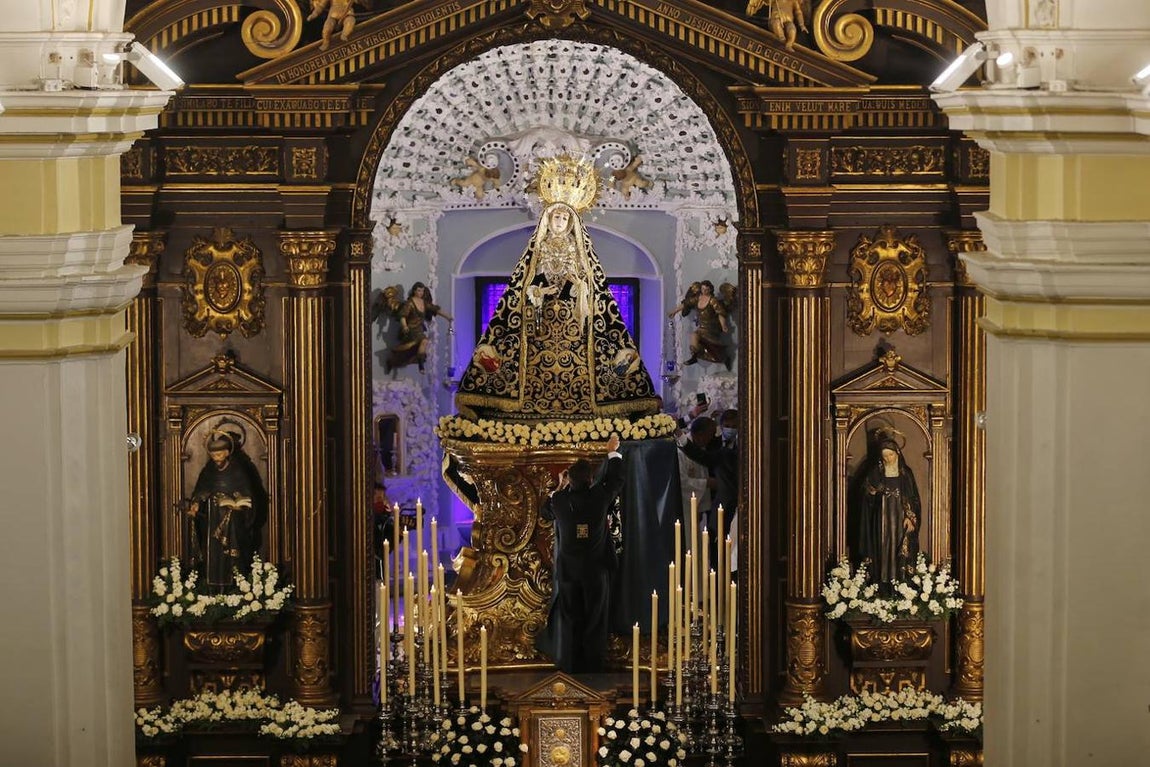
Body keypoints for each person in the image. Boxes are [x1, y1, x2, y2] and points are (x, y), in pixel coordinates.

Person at [456, 155, 660, 420]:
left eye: (565, 217)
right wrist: (537, 294)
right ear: (547, 220)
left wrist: (579, 288)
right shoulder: (537, 250)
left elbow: (593, 289)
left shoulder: (581, 252)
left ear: (572, 221)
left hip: (576, 324)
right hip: (539, 324)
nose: (560, 221)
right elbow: (523, 288)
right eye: (556, 217)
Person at [539, 434, 625, 674]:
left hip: (568, 570)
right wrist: (612, 452)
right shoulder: (599, 497)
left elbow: (545, 512)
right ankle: (593, 666)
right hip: (595, 569)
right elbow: (616, 479)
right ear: (590, 479)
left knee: (570, 617)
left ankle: (569, 664)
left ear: (569, 479)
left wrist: (559, 486)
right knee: (595, 618)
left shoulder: (559, 501)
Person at [186, 422, 268, 593]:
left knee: (233, 554)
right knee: (212, 555)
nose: (216, 458)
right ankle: (211, 587)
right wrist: (196, 503)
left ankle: (235, 587)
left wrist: (238, 503)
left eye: (219, 454)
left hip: (234, 522)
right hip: (211, 519)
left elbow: (248, 494)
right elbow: (201, 489)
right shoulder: (208, 469)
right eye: (213, 454)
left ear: (227, 452)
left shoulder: (239, 471)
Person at [854, 435, 922, 584]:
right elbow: (865, 497)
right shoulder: (875, 473)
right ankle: (881, 585)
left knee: (899, 552)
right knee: (882, 551)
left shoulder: (906, 474)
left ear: (897, 453)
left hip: (900, 520)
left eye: (890, 454)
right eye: (884, 455)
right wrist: (871, 492)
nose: (888, 459)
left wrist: (910, 518)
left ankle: (900, 586)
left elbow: (914, 499)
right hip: (881, 520)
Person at [385, 282, 452, 374]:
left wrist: (448, 317)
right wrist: (404, 326)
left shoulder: (424, 303)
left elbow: (435, 309)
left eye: (422, 291)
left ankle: (420, 364)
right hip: (411, 329)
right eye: (419, 290)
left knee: (423, 342)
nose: (421, 293)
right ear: (414, 291)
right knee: (424, 341)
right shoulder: (410, 303)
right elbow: (402, 316)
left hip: (419, 329)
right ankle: (421, 365)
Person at [669, 280, 732, 369]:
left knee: (712, 347)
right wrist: (674, 311)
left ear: (710, 290)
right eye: (702, 289)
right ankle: (694, 356)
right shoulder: (698, 298)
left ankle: (724, 358)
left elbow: (720, 313)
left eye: (706, 289)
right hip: (702, 327)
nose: (704, 291)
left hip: (712, 328)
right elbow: (686, 303)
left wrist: (723, 325)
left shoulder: (713, 301)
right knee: (694, 336)